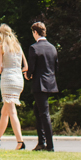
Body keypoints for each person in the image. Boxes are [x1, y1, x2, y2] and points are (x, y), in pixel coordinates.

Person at [0, 23, 27, 149]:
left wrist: (7, 68)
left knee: (12, 112)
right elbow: (25, 66)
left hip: (8, 80)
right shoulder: (18, 47)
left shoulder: (2, 47)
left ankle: (20, 141)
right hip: (18, 80)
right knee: (4, 112)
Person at [29, 22, 59, 151]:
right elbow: (56, 66)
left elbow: (31, 68)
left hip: (39, 84)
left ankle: (49, 145)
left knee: (44, 114)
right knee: (38, 111)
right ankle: (41, 142)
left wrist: (28, 75)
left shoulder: (34, 48)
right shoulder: (52, 48)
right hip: (50, 83)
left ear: (35, 32)